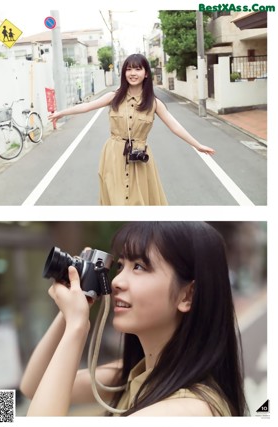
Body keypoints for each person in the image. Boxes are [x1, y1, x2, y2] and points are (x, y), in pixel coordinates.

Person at [20, 221, 249, 417]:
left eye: (139, 266)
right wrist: (71, 307)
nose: (117, 281)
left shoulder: (190, 410)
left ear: (187, 295)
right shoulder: (137, 374)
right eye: (120, 266)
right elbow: (33, 385)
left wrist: (77, 327)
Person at [48, 54, 215, 206]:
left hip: (140, 157)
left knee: (140, 202)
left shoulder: (154, 103)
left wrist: (197, 145)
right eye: (129, 69)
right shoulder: (114, 96)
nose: (133, 73)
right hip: (113, 156)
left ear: (146, 73)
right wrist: (62, 113)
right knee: (116, 200)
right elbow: (87, 106)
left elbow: (175, 126)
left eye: (137, 69)